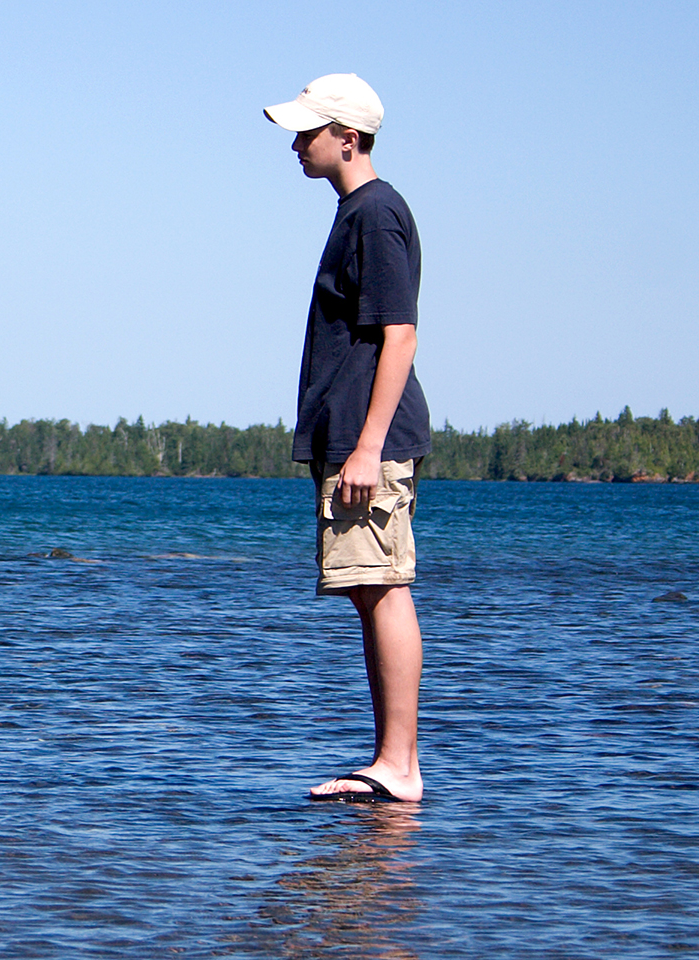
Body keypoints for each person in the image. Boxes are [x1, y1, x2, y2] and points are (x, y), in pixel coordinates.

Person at [265, 74, 430, 803]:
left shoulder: (376, 213)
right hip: (351, 435)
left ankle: (400, 765)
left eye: (308, 132)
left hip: (373, 437)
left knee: (383, 586)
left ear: (348, 138)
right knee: (368, 588)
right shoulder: (356, 212)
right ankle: (389, 760)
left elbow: (401, 334)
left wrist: (366, 447)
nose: (297, 144)